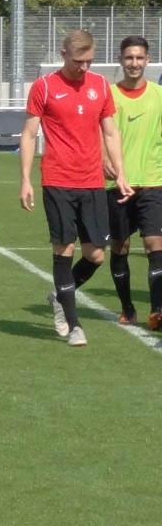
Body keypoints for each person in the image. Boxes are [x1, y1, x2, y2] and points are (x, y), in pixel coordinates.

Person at [20, 29, 132, 347]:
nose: (84, 67)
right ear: (63, 54)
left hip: (93, 182)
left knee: (95, 255)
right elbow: (29, 135)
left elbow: (110, 132)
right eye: (78, 61)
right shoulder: (44, 87)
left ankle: (59, 296)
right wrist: (25, 179)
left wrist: (120, 174)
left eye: (89, 62)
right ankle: (74, 325)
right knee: (64, 250)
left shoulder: (100, 86)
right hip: (57, 180)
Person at [104, 37, 162, 328]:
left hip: (153, 181)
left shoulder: (159, 95)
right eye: (129, 58)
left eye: (139, 58)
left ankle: (157, 311)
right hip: (117, 185)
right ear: (121, 59)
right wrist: (103, 161)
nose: (134, 63)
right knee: (121, 246)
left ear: (148, 60)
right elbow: (97, 134)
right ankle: (128, 309)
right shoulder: (108, 95)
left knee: (154, 244)